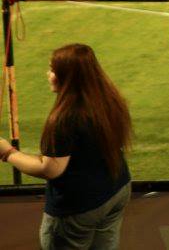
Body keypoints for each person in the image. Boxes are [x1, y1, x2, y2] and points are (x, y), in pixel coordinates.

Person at [0, 44, 133, 249]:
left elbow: (50, 169)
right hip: (117, 191)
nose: (48, 74)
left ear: (67, 77)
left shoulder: (65, 118)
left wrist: (8, 153)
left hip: (79, 206)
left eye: (52, 70)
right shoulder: (110, 100)